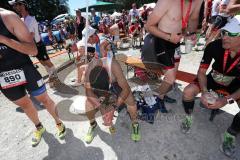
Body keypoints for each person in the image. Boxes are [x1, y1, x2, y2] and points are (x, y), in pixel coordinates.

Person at [0, 7, 66, 147]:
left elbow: (32, 50)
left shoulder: (8, 17)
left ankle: (58, 122)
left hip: (25, 69)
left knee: (45, 100)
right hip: (3, 77)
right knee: (25, 104)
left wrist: (4, 40)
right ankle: (39, 127)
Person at [181, 15, 240, 157]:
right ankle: (188, 117)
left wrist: (226, 100)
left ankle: (230, 135)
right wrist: (205, 91)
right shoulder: (214, 46)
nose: (224, 37)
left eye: (231, 34)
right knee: (188, 92)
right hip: (212, 79)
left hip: (235, 84)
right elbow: (201, 72)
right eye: (224, 32)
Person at [82, 28, 141, 144]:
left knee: (130, 100)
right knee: (88, 105)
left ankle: (135, 122)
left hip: (114, 85)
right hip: (102, 89)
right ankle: (93, 124)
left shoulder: (112, 64)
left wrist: (114, 107)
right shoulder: (88, 69)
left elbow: (126, 89)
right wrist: (102, 109)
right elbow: (88, 92)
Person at [145, 0, 203, 112]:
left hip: (176, 42)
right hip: (161, 40)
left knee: (172, 76)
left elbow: (193, 19)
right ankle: (152, 100)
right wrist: (168, 37)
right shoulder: (167, 1)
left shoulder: (197, 1)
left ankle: (160, 97)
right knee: (170, 78)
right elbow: (149, 26)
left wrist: (191, 34)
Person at [9, 0, 60, 86]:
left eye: (16, 5)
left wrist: (22, 45)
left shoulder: (31, 19)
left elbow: (31, 35)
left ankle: (56, 77)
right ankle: (51, 76)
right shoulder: (21, 19)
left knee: (46, 61)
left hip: (38, 44)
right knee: (42, 62)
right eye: (14, 6)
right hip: (32, 44)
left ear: (22, 6)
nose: (14, 7)